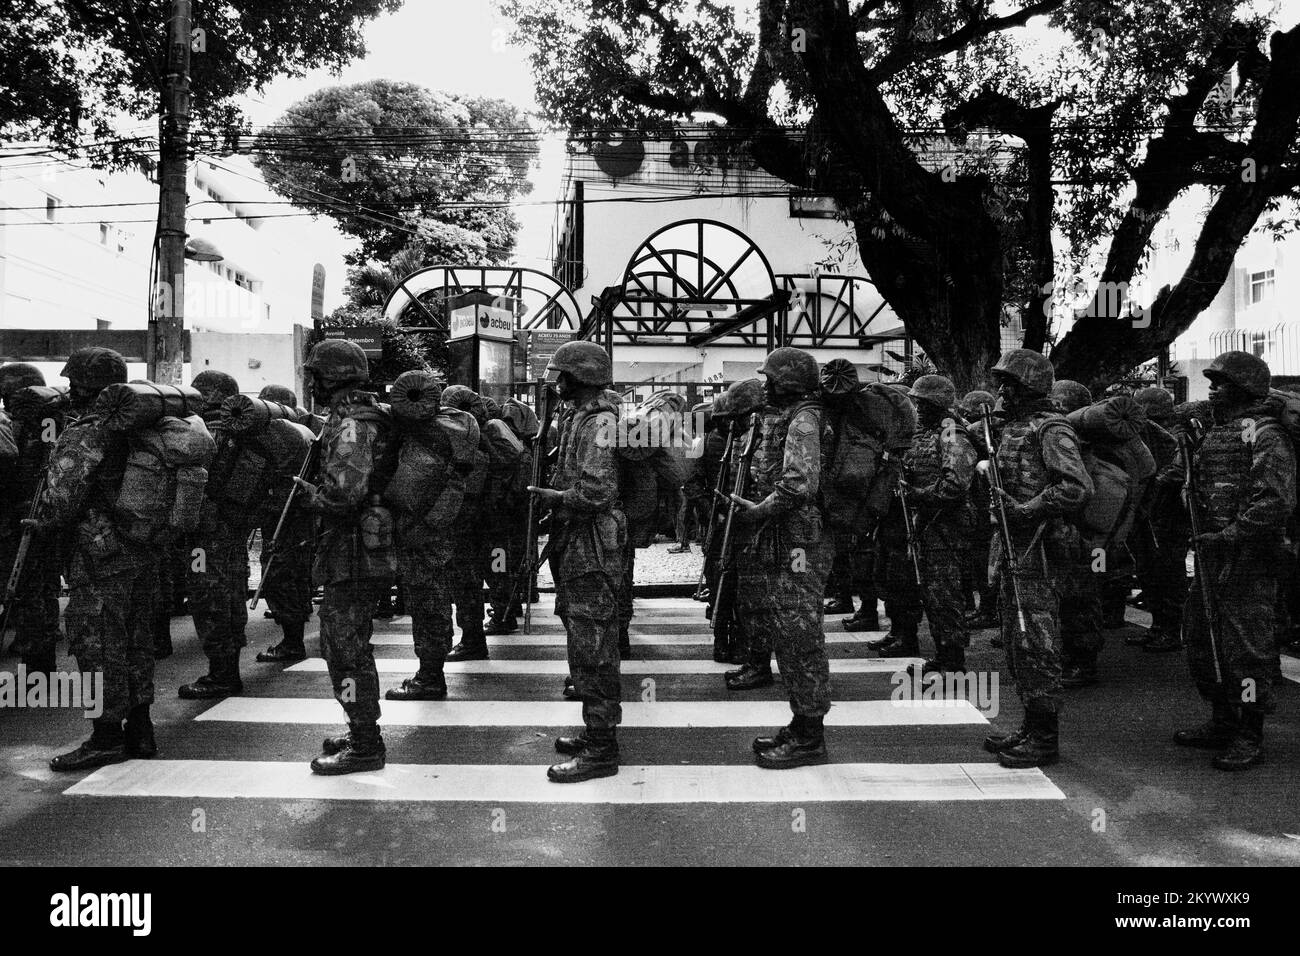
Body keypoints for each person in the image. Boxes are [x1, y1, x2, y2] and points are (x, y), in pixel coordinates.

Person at [1174, 351, 1295, 771]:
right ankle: (1222, 718)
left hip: (1250, 559)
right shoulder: (1216, 432)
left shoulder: (1265, 435)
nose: (1212, 388)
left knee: (1247, 649)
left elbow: (1274, 501)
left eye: (1221, 382)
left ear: (1244, 388)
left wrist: (1228, 536)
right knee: (1203, 640)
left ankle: (1248, 731)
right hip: (1213, 555)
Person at [44, 348, 162, 770]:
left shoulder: (86, 432)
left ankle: (105, 736)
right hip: (142, 547)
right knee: (136, 638)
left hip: (99, 554)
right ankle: (141, 730)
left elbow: (61, 500)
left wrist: (43, 523)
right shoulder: (144, 426)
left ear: (82, 386)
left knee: (94, 642)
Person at [981, 349, 1092, 769]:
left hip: (1040, 548)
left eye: (1010, 383)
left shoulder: (1050, 428)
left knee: (1037, 640)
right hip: (1015, 546)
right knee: (1018, 640)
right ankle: (1031, 725)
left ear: (1028, 386)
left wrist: (1026, 510)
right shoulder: (1012, 428)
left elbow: (1076, 488)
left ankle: (1045, 738)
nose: (1002, 390)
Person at [731, 347, 834, 769]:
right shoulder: (792, 416)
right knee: (789, 630)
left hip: (800, 546)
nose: (766, 385)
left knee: (799, 634)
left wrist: (759, 511)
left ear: (788, 382)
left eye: (771, 379)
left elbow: (797, 484)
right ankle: (802, 722)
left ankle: (811, 735)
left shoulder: (805, 420)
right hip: (789, 540)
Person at [298, 340, 397, 775]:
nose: (311, 382)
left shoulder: (352, 425)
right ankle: (360, 728)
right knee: (347, 642)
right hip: (358, 548)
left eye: (316, 375)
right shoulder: (364, 416)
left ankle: (365, 742)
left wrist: (311, 496)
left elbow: (345, 495)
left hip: (354, 550)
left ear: (331, 377)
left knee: (343, 647)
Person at [528, 341, 626, 782]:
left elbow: (596, 492)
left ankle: (602, 747)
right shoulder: (579, 417)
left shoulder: (600, 422)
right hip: (578, 538)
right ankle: (595, 732)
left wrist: (556, 498)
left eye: (562, 374)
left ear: (580, 377)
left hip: (591, 542)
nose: (556, 382)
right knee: (581, 634)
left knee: (594, 643)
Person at [177, 370, 254, 699]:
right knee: (231, 596)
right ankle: (228, 668)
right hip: (231, 529)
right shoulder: (240, 431)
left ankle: (222, 674)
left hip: (206, 534)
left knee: (208, 598)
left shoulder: (208, 431)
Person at [897, 374, 978, 675]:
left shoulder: (952, 435)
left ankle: (953, 661)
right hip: (929, 525)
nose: (917, 408)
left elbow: (954, 486)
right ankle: (943, 656)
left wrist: (917, 494)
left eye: (921, 403)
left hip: (948, 526)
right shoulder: (927, 434)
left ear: (934, 404)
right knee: (932, 593)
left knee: (945, 594)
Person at [0, 363, 63, 672]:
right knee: (44, 588)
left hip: (24, 521)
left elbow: (17, 474)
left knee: (26, 591)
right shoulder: (53, 421)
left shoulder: (26, 427)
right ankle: (42, 658)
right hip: (47, 518)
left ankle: (38, 663)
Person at [1048, 379, 1107, 689]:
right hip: (1086, 531)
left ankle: (1083, 663)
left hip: (1083, 531)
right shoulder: (1080, 438)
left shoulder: (1078, 441)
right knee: (1078, 594)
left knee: (1080, 596)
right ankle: (1076, 657)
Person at [254, 384, 317, 663]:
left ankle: (292, 642)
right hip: (299, 514)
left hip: (283, 514)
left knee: (278, 575)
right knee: (296, 573)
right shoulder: (303, 431)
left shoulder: (278, 433)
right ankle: (296, 626)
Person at [1128, 386, 1187, 653]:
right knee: (1149, 573)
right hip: (1149, 516)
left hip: (1169, 518)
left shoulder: (1176, 436)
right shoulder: (1147, 435)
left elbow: (1178, 471)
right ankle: (1158, 627)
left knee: (1168, 575)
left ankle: (1172, 631)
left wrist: (1153, 485)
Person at [442, 385, 492, 662]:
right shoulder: (483, 435)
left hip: (466, 521)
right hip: (480, 521)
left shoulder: (469, 440)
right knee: (468, 582)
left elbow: (465, 485)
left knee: (465, 583)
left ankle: (472, 640)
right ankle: (473, 638)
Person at [959, 389, 999, 631]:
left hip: (984, 505)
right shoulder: (987, 431)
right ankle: (985, 608)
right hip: (984, 504)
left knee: (986, 562)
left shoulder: (978, 432)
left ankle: (988, 609)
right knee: (983, 561)